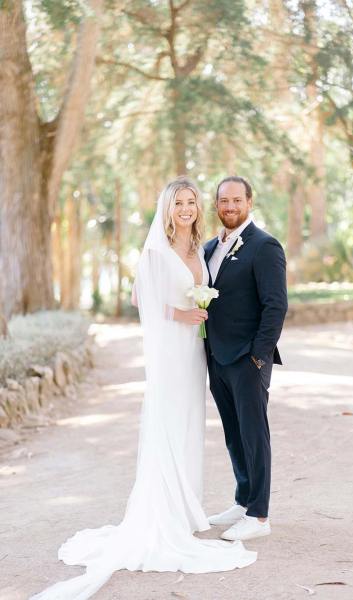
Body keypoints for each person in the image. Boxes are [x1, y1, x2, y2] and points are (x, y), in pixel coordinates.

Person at [29, 177, 256, 600]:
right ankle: (162, 514)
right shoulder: (156, 249)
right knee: (168, 421)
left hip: (193, 352)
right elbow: (140, 298)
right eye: (178, 203)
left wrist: (198, 313)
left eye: (191, 202)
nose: (186, 209)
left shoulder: (198, 247)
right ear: (167, 208)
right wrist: (180, 314)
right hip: (171, 348)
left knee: (189, 423)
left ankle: (184, 508)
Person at [204, 176, 288, 542]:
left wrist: (259, 356)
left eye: (237, 200)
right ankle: (242, 499)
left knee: (254, 435)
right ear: (217, 205)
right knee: (234, 434)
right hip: (216, 357)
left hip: (247, 359)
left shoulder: (265, 246)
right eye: (224, 201)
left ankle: (259, 515)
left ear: (249, 202)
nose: (230, 207)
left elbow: (276, 305)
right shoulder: (208, 247)